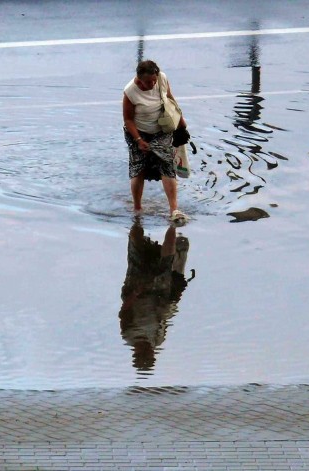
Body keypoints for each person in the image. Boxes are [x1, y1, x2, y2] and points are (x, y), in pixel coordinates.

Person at [118, 222, 192, 373]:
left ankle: (136, 222)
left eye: (146, 354)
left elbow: (124, 311)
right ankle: (173, 226)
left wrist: (136, 293)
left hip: (136, 290)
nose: (149, 351)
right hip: (159, 292)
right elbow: (164, 317)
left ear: (136, 354)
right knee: (165, 261)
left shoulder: (128, 335)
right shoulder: (158, 339)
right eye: (150, 355)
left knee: (136, 251)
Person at [123, 60, 188, 223]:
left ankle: (174, 209)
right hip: (139, 132)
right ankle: (137, 208)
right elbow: (128, 120)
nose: (152, 84)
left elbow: (170, 99)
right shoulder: (130, 91)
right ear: (139, 79)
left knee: (167, 165)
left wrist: (181, 123)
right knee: (139, 168)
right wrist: (138, 140)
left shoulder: (162, 79)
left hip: (161, 130)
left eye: (154, 80)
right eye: (148, 82)